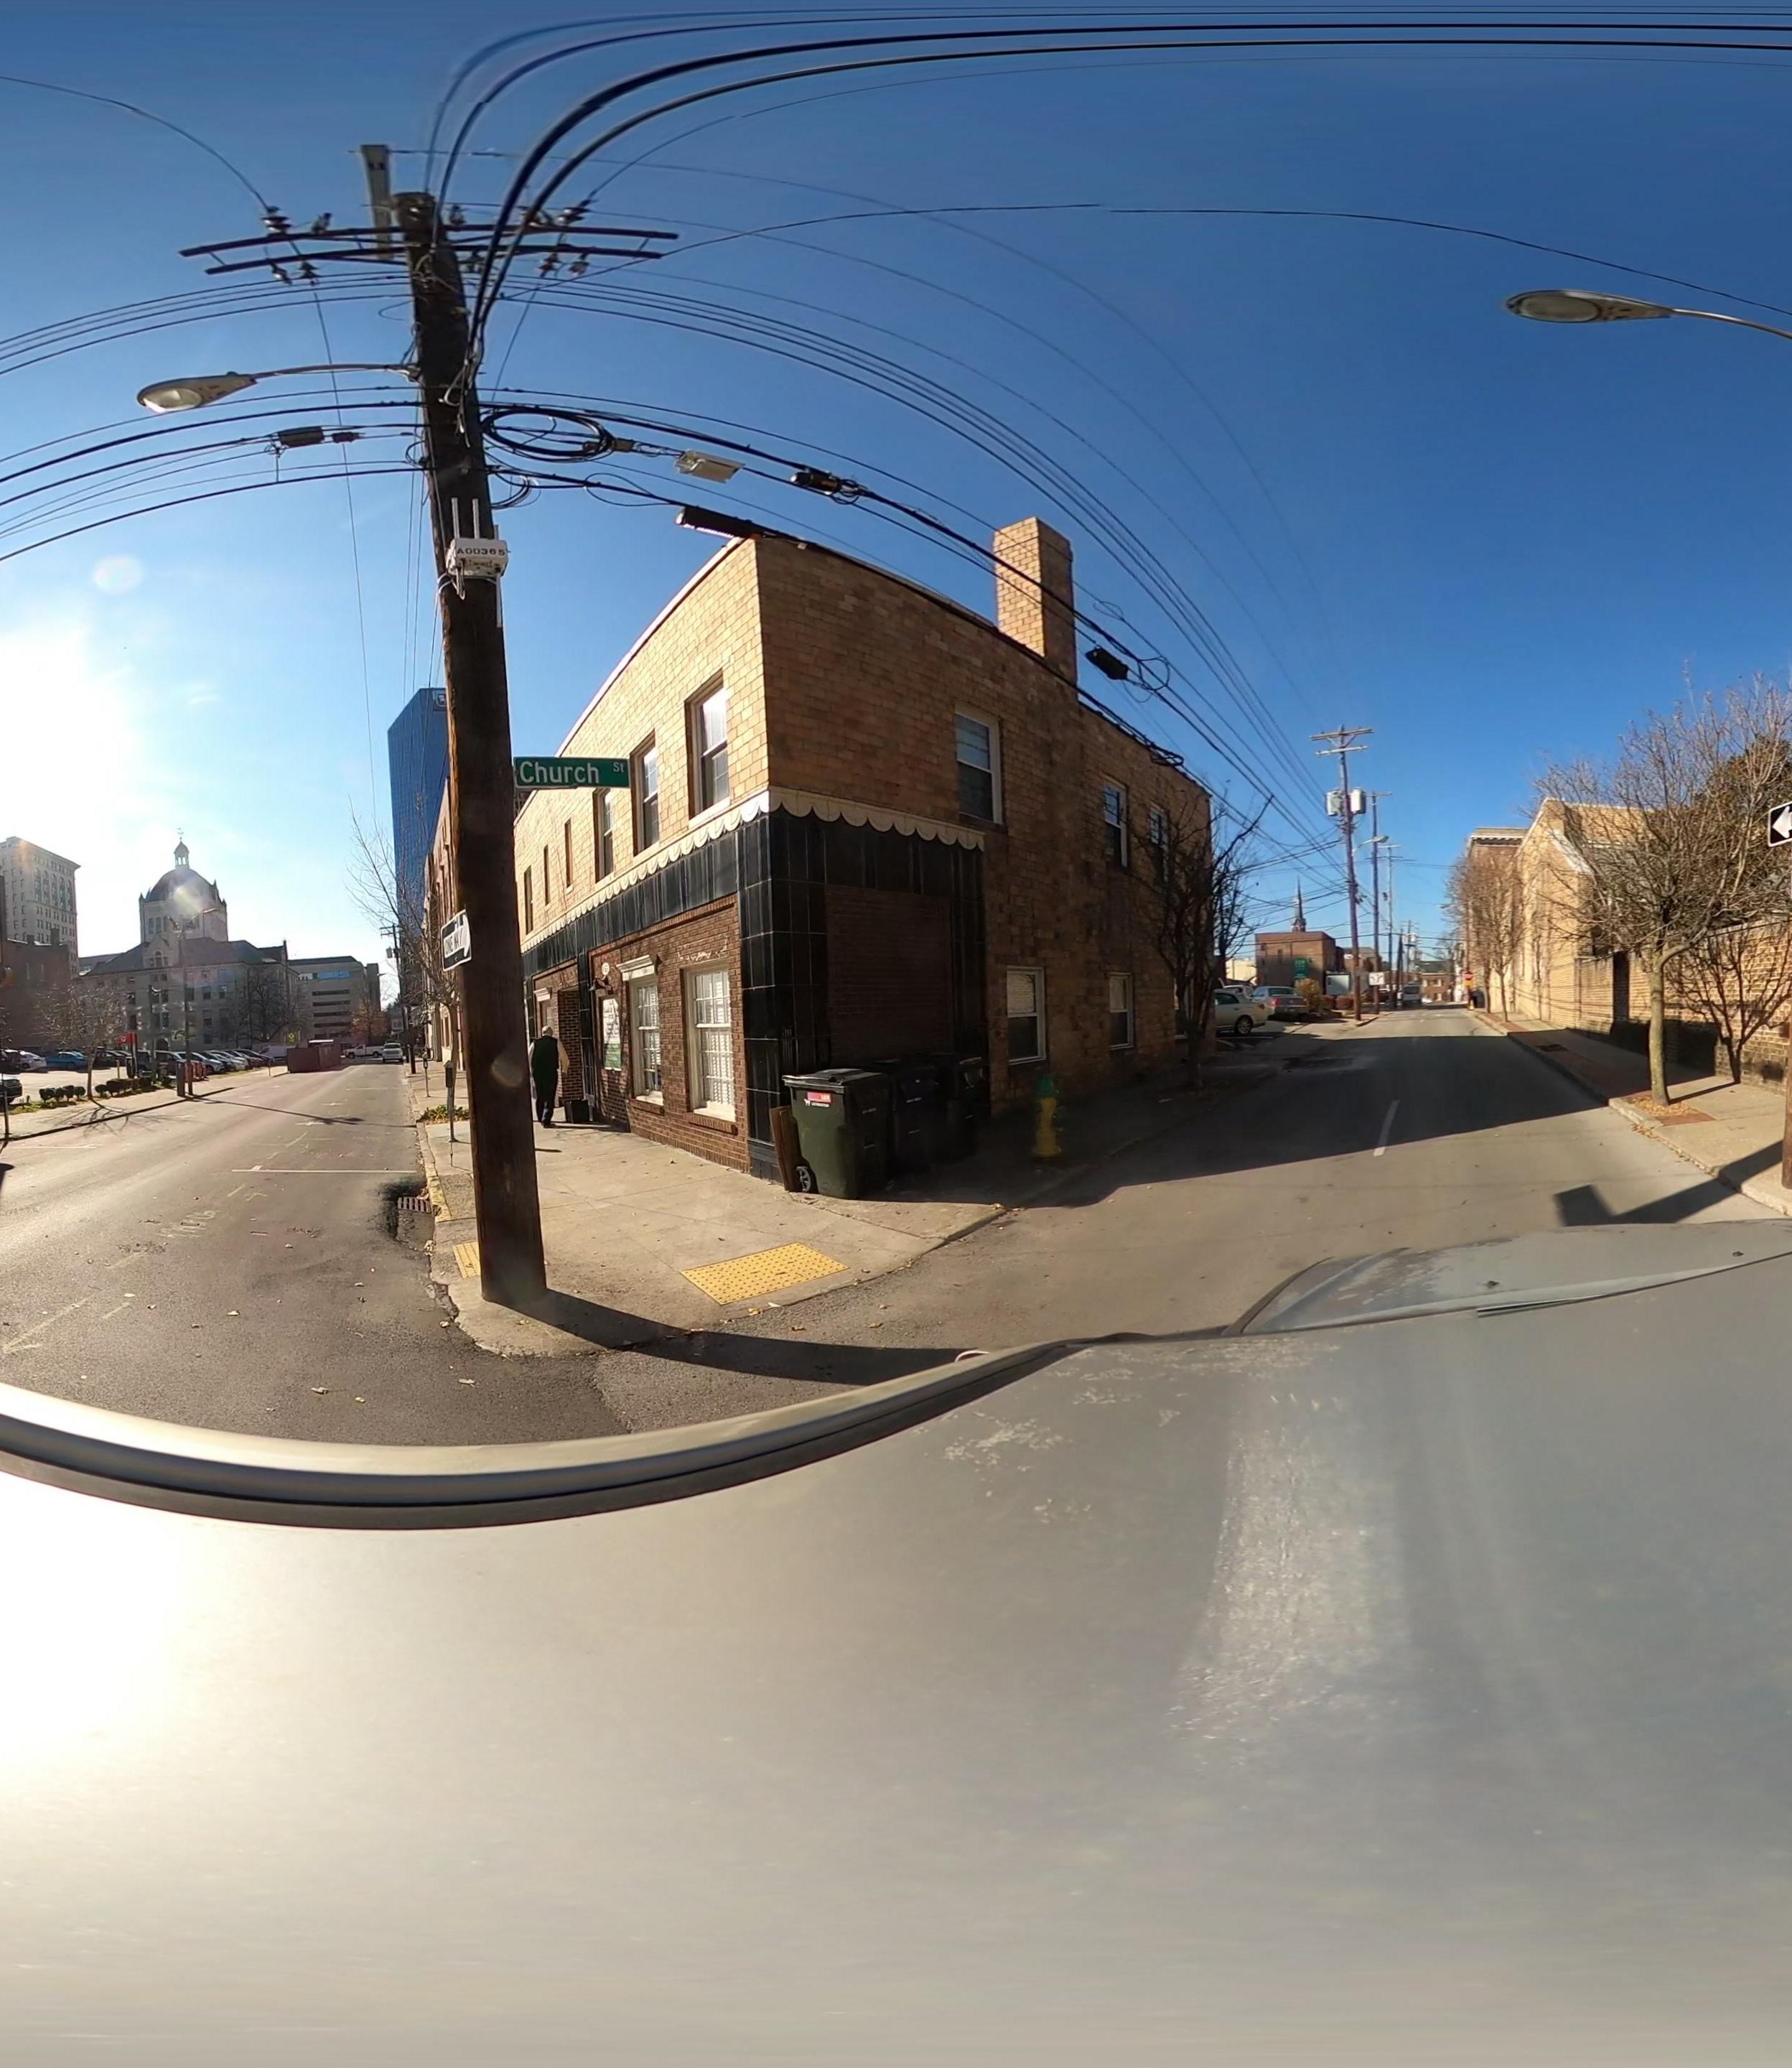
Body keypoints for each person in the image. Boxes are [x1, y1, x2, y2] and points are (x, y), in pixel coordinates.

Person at [530, 1027, 560, 1127]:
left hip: (538, 1073)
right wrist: (565, 1069)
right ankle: (546, 1120)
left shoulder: (535, 1043)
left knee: (540, 1094)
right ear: (551, 1033)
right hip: (551, 1072)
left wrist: (530, 1071)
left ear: (542, 1033)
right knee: (550, 1096)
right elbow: (563, 1056)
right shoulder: (556, 1042)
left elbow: (529, 1056)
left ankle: (540, 1117)